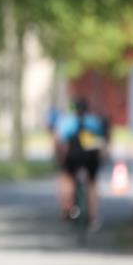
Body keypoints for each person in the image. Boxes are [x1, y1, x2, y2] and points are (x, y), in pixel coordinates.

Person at [55, 97, 108, 231]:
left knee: (67, 179)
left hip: (73, 156)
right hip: (91, 157)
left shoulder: (68, 122)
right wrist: (103, 158)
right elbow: (102, 142)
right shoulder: (94, 122)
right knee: (92, 184)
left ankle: (67, 209)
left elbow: (60, 143)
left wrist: (59, 159)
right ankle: (93, 216)